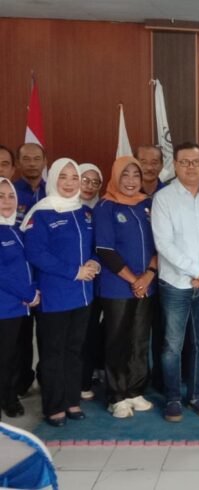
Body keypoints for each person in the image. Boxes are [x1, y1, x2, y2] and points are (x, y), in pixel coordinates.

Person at [152, 142, 199, 422]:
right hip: (176, 284)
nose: (191, 167)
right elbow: (164, 244)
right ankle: (172, 398)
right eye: (184, 162)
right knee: (173, 345)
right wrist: (197, 271)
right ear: (175, 165)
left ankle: (197, 395)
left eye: (196, 161)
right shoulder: (163, 198)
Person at [22, 158, 99, 427]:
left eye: (74, 177)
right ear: (54, 179)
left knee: (75, 350)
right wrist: (74, 271)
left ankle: (71, 400)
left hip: (83, 295)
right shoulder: (41, 213)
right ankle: (54, 406)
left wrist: (94, 263)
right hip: (54, 296)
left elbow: (93, 247)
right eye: (63, 177)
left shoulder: (84, 212)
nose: (69, 183)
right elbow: (35, 253)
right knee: (53, 352)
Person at [94, 156, 157, 418]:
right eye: (125, 175)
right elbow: (105, 250)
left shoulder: (147, 204)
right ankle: (116, 396)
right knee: (117, 341)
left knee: (140, 340)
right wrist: (135, 280)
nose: (131, 181)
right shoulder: (105, 206)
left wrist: (149, 275)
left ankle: (135, 390)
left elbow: (161, 243)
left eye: (136, 175)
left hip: (147, 285)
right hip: (117, 287)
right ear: (115, 177)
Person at [0, 178, 40, 420]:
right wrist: (28, 294)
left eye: (11, 196)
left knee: (16, 353)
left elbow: (28, 264)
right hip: (6, 306)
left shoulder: (17, 228)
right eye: (1, 196)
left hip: (22, 306)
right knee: (4, 356)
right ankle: (7, 399)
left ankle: (12, 393)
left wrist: (33, 290)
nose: (7, 201)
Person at [12, 143, 47, 402]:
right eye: (26, 159)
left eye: (37, 158)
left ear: (45, 162)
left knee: (48, 333)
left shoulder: (54, 191)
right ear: (18, 163)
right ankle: (20, 382)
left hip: (47, 277)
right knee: (20, 336)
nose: (32, 163)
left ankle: (47, 379)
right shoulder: (9, 193)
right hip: (19, 279)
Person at [77, 163, 104, 401]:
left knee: (92, 331)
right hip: (71, 281)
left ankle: (86, 378)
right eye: (85, 180)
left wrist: (95, 262)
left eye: (95, 182)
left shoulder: (102, 208)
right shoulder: (59, 207)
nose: (89, 186)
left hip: (98, 281)